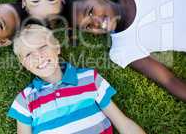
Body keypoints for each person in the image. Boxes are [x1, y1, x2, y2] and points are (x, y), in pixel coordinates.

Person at [64, 0, 186, 101]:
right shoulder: (123, 49)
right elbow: (168, 80)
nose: (96, 23)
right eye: (87, 26)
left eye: (91, 12)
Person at [10, 24, 146, 134]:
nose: (38, 56)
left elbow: (123, 123)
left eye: (43, 46)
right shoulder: (25, 100)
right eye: (28, 54)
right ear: (24, 64)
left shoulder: (89, 79)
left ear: (57, 47)